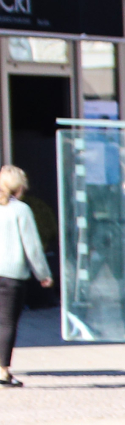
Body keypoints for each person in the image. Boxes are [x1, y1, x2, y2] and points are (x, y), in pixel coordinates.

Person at [0, 164, 52, 388]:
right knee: (7, 322)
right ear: (20, 187)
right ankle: (2, 371)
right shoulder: (20, 210)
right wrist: (43, 274)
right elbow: (31, 247)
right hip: (12, 275)